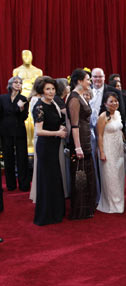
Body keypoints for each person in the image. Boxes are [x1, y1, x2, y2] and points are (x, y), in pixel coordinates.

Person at [32, 76, 67, 226]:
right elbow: (39, 131)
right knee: (46, 180)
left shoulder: (53, 104)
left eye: (53, 89)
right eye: (48, 89)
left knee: (54, 178)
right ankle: (46, 215)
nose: (51, 91)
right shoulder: (39, 107)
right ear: (42, 90)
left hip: (54, 146)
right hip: (45, 147)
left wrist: (61, 128)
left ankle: (56, 211)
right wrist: (57, 133)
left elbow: (57, 123)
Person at [66, 69, 97, 220]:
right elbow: (74, 125)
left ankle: (87, 207)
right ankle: (80, 210)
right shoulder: (74, 99)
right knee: (80, 176)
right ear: (79, 81)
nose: (90, 82)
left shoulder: (79, 96)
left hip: (86, 139)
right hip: (80, 141)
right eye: (88, 79)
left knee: (86, 175)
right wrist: (77, 146)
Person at [96, 92, 125, 213]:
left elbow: (120, 130)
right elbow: (99, 135)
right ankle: (110, 204)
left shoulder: (118, 114)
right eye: (111, 101)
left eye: (116, 101)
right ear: (105, 104)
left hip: (119, 149)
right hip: (107, 148)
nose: (114, 103)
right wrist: (102, 152)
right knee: (110, 176)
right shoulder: (103, 116)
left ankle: (119, 203)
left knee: (119, 176)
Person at [0, 76, 29, 191]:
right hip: (5, 131)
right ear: (10, 84)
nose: (18, 84)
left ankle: (24, 185)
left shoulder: (23, 99)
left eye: (20, 83)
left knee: (22, 158)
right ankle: (10, 185)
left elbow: (24, 117)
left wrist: (21, 109)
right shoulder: (2, 98)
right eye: (16, 82)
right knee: (8, 158)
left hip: (19, 131)